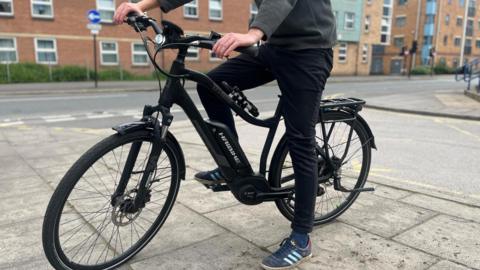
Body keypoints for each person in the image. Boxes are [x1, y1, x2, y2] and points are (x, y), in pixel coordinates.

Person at [114, 1, 336, 269]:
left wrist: (253, 34)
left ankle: (301, 238)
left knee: (300, 140)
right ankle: (234, 164)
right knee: (211, 85)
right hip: (274, 48)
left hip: (309, 51)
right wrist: (141, 5)